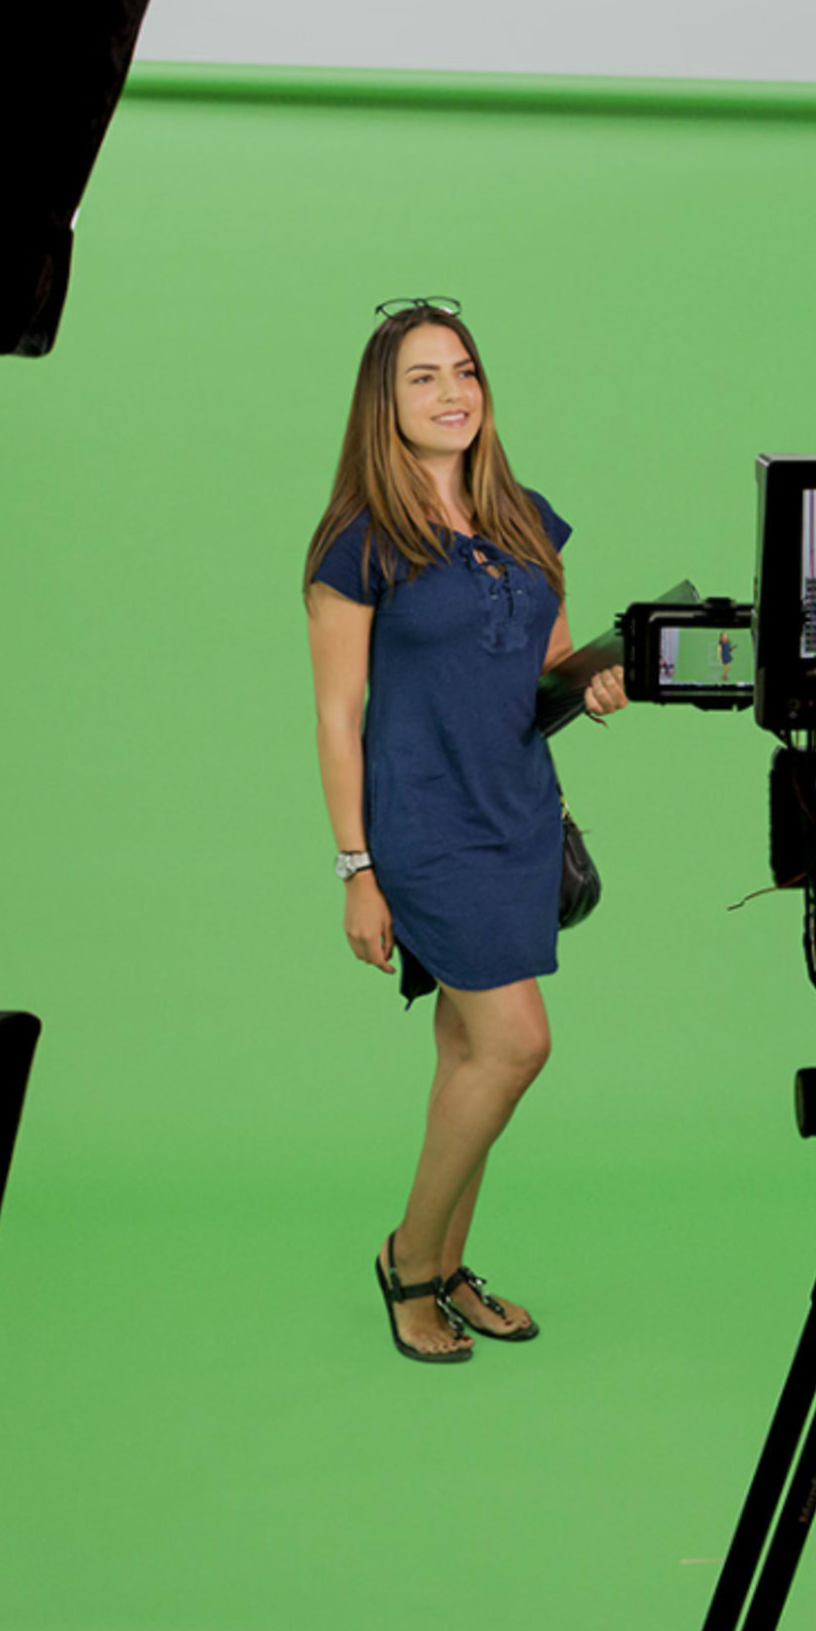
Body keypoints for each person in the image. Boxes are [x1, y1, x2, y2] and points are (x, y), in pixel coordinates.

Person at [305, 299, 624, 1366]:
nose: (452, 394)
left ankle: (446, 1269)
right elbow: (336, 716)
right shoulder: (358, 543)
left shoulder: (530, 518)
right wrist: (358, 868)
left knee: (465, 1057)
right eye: (423, 378)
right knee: (515, 1043)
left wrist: (598, 684)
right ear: (383, 407)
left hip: (519, 811)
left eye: (464, 371)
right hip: (425, 823)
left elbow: (546, 673)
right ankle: (407, 1261)